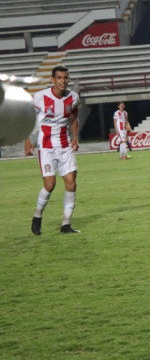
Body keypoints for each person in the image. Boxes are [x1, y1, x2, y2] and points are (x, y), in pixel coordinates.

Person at [24, 65, 81, 234]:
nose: (63, 81)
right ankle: (37, 216)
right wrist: (27, 141)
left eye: (66, 78)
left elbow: (73, 118)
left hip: (65, 146)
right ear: (53, 80)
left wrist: (75, 138)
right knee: (50, 184)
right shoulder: (40, 97)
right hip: (46, 147)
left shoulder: (73, 97)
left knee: (71, 184)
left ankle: (66, 224)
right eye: (60, 78)